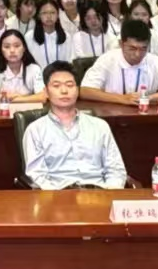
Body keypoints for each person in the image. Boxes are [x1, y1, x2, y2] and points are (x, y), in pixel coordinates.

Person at [21, 62, 128, 190]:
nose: (64, 91)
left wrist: (109, 193)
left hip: (98, 194)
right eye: (56, 86)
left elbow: (116, 170)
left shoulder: (100, 126)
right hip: (57, 195)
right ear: (46, 92)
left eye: (70, 85)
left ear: (77, 90)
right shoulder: (35, 130)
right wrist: (57, 197)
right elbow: (37, 176)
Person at [78, 20, 158, 106]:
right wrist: (122, 99)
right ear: (121, 44)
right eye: (132, 48)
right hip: (112, 117)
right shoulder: (107, 60)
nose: (138, 54)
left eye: (143, 48)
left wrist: (148, 98)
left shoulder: (154, 61)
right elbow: (85, 91)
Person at [0, 30, 44, 98]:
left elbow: (42, 97)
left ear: (24, 48)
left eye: (17, 46)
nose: (12, 50)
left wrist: (16, 98)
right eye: (7, 47)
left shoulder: (34, 69)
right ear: (1, 50)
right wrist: (28, 97)